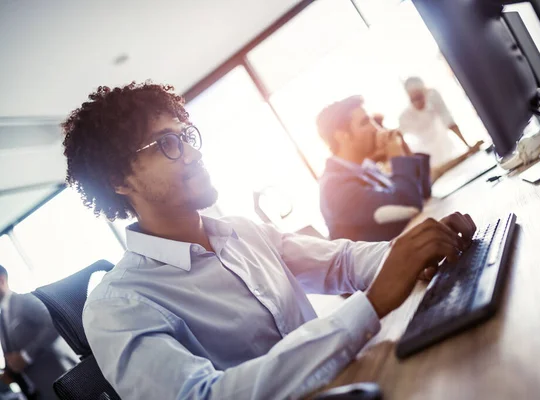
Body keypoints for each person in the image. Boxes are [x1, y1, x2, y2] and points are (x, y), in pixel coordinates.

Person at [64, 82, 476, 400]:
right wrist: (368, 308)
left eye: (187, 136)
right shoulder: (116, 307)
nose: (192, 152)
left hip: (355, 383)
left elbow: (341, 264)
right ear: (119, 180)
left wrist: (411, 252)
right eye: (168, 144)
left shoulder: (242, 230)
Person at [317, 96, 431, 242]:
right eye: (365, 122)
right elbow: (410, 205)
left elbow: (423, 193)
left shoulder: (366, 167)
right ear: (342, 136)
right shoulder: (335, 187)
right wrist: (396, 157)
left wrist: (402, 148)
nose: (374, 127)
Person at [0, 265, 77, 400]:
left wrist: (25, 356)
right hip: (39, 390)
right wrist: (9, 371)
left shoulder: (23, 300)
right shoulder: (2, 317)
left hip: (63, 380)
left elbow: (53, 323)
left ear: (1, 280)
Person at [399, 76, 483, 169]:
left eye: (419, 97)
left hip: (448, 150)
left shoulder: (433, 96)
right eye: (413, 99)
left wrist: (468, 146)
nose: (417, 102)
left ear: (426, 92)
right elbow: (400, 140)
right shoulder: (404, 117)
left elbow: (449, 121)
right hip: (429, 162)